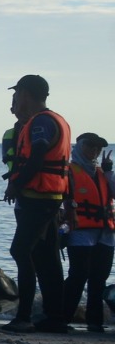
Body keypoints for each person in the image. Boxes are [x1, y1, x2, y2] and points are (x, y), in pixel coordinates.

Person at [2, 74, 71, 333]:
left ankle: (24, 317)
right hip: (50, 198)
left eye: (17, 93)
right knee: (46, 256)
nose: (15, 98)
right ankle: (56, 318)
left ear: (25, 94)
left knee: (21, 251)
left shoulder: (41, 122)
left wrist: (16, 185)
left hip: (38, 199)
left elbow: (37, 158)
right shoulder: (54, 119)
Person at [61, 132, 112, 333]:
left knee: (99, 278)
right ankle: (62, 317)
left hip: (105, 233)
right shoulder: (69, 170)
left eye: (98, 147)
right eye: (90, 146)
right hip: (81, 231)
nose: (95, 150)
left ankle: (95, 322)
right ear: (80, 146)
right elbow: (62, 197)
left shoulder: (102, 172)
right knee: (78, 275)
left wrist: (109, 172)